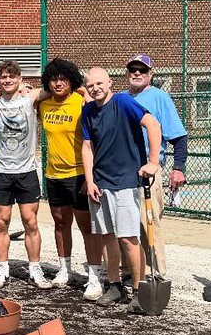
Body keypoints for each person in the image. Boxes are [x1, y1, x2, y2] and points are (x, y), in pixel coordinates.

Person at [80, 66, 162, 307]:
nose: (95, 88)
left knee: (128, 238)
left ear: (109, 84)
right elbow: (87, 147)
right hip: (100, 183)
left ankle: (139, 290)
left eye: (99, 84)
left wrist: (153, 162)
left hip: (125, 182)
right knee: (107, 236)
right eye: (90, 85)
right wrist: (90, 179)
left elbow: (153, 125)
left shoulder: (124, 102)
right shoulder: (87, 112)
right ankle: (114, 285)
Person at [37, 58, 104, 298]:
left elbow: (93, 141)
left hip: (79, 175)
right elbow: (30, 94)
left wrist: (91, 176)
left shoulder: (82, 102)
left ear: (71, 80)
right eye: (54, 79)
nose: (58, 83)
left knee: (87, 226)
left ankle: (95, 275)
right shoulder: (43, 105)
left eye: (63, 79)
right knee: (60, 223)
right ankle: (64, 269)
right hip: (54, 174)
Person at [0, 60, 51, 290]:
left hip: (26, 171)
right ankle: (2, 268)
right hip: (1, 172)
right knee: (1, 223)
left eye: (12, 77)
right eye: (3, 77)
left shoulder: (29, 98)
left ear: (20, 79)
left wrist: (30, 87)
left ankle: (35, 268)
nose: (8, 80)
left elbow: (56, 87)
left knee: (30, 222)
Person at [125, 54, 188, 276]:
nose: (137, 73)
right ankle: (131, 271)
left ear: (150, 74)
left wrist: (178, 167)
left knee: (148, 224)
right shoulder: (122, 98)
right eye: (133, 69)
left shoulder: (159, 97)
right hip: (123, 172)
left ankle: (155, 273)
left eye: (142, 70)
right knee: (125, 225)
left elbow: (178, 137)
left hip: (148, 170)